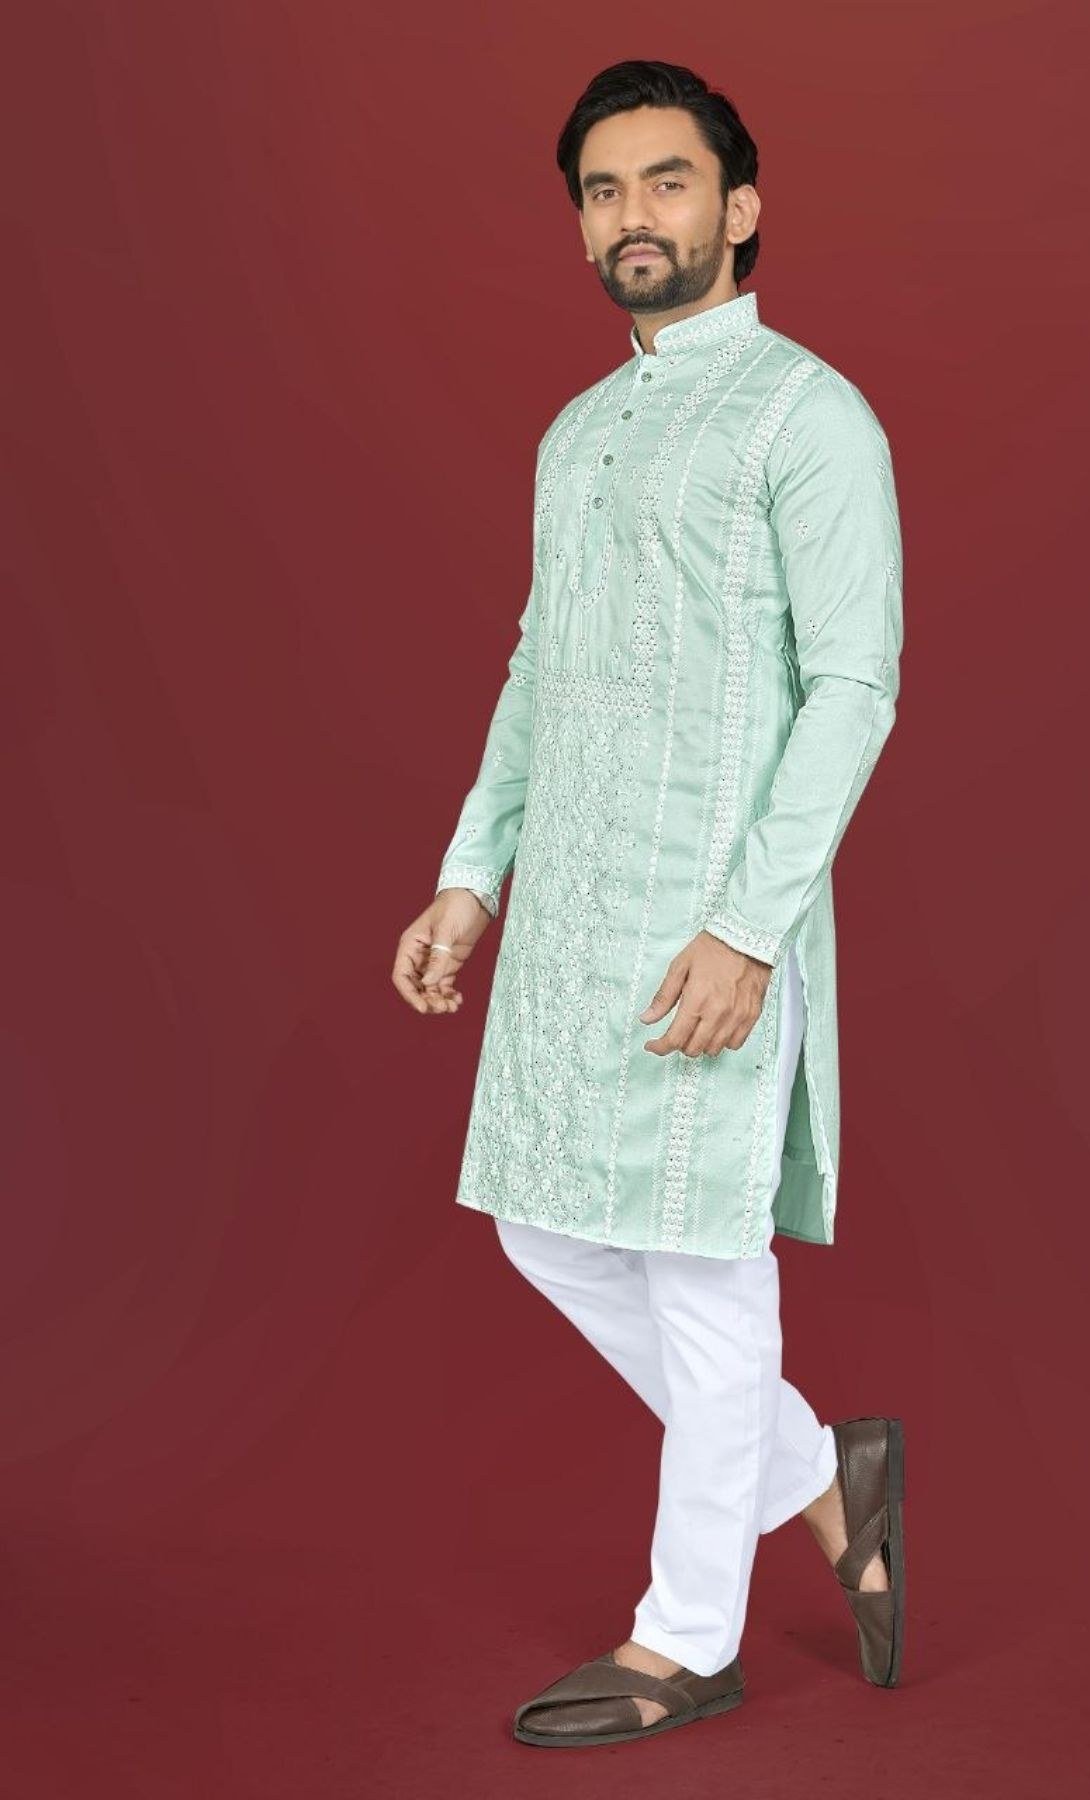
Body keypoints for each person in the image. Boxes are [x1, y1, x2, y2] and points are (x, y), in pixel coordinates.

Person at [392, 58, 906, 1747]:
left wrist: (749, 927)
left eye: (667, 181)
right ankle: (818, 1473)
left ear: (738, 208)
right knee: (545, 1224)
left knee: (699, 1255)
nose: (634, 215)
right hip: (573, 910)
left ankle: (686, 1638)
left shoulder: (806, 413)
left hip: (709, 910)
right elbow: (538, 668)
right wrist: (471, 878)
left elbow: (852, 688)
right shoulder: (576, 432)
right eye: (604, 191)